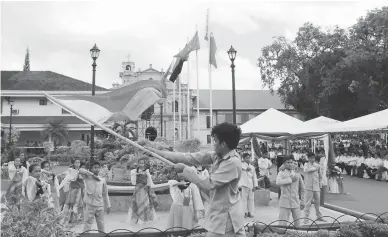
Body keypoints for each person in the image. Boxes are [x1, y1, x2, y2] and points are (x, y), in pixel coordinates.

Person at [146, 122, 246, 237]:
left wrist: (185, 170)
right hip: (222, 216)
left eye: (215, 141)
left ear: (223, 144)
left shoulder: (232, 163)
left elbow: (209, 183)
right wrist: (156, 153)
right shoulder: (217, 156)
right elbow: (189, 157)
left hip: (227, 219)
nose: (213, 144)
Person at [80, 161, 111, 232]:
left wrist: (108, 205)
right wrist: (92, 174)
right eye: (94, 168)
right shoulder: (87, 177)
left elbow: (105, 194)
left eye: (98, 167)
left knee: (101, 224)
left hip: (100, 206)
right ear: (91, 169)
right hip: (90, 205)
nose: (97, 169)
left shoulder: (102, 180)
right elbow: (80, 170)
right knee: (87, 224)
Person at [276, 156, 305, 227]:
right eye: (288, 162)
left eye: (291, 162)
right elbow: (278, 182)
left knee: (298, 223)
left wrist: (302, 201)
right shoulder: (281, 173)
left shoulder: (297, 173)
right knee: (282, 224)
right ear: (284, 164)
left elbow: (302, 189)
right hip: (285, 202)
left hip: (295, 201)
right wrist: (290, 180)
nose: (290, 164)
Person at [128, 157, 158, 224]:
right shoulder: (135, 171)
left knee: (145, 203)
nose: (142, 164)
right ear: (138, 164)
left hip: (145, 189)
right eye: (140, 163)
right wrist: (138, 174)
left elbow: (149, 180)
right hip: (138, 189)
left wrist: (150, 188)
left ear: (144, 164)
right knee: (138, 203)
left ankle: (145, 218)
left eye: (143, 163)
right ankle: (137, 219)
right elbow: (133, 179)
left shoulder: (146, 171)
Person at [303, 152, 325, 224]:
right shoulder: (306, 165)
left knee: (317, 203)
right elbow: (306, 170)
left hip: (316, 187)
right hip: (308, 187)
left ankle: (319, 217)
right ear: (308, 158)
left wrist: (320, 184)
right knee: (307, 203)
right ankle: (306, 218)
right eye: (311, 158)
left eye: (313, 158)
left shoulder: (317, 165)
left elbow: (320, 176)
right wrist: (315, 168)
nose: (312, 159)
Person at [239, 153, 259, 218]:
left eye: (249, 158)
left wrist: (255, 185)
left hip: (251, 185)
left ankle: (250, 212)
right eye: (246, 158)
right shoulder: (241, 166)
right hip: (244, 185)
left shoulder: (252, 167)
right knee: (244, 200)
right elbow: (240, 171)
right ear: (243, 159)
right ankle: (245, 212)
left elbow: (254, 177)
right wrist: (239, 186)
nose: (248, 159)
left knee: (251, 199)